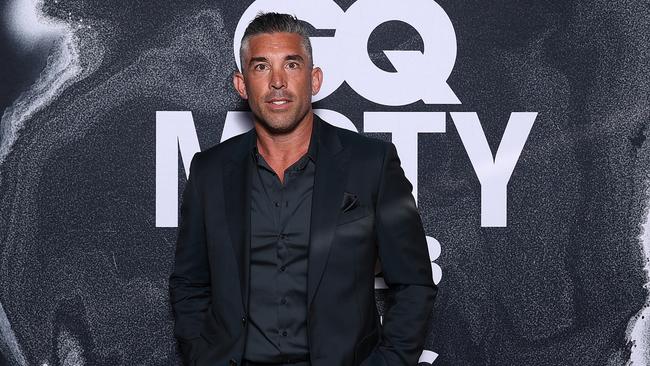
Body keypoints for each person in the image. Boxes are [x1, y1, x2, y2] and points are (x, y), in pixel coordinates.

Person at [169, 12, 436, 366]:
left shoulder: (371, 164)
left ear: (314, 79)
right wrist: (203, 356)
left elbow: (414, 284)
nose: (278, 82)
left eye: (291, 65)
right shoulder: (210, 171)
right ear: (241, 84)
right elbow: (189, 283)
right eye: (261, 67)